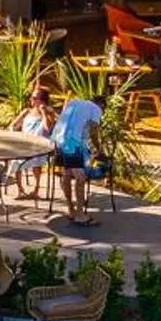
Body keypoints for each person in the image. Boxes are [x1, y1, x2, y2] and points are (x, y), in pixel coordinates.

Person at [49, 90, 104, 225]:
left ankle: (71, 209)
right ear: (102, 105)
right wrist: (100, 149)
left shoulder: (74, 102)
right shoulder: (96, 109)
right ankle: (80, 214)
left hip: (58, 139)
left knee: (66, 174)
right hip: (72, 142)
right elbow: (93, 132)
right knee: (80, 177)